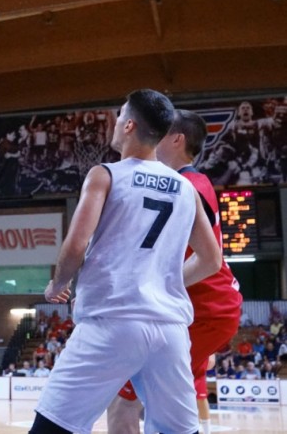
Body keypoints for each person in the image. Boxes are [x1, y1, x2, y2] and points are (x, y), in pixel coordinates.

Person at [28, 89, 223, 434]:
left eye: (120, 115)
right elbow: (211, 260)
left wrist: (58, 284)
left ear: (130, 125)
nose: (116, 122)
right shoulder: (185, 188)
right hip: (169, 331)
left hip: (112, 323)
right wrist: (165, 282)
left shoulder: (106, 174)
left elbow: (76, 244)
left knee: (53, 427)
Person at [108, 109, 243, 434]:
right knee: (163, 408)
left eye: (160, 132)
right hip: (201, 311)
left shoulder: (187, 185)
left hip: (204, 311)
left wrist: (149, 286)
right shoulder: (185, 183)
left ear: (177, 139)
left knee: (124, 403)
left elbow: (207, 260)